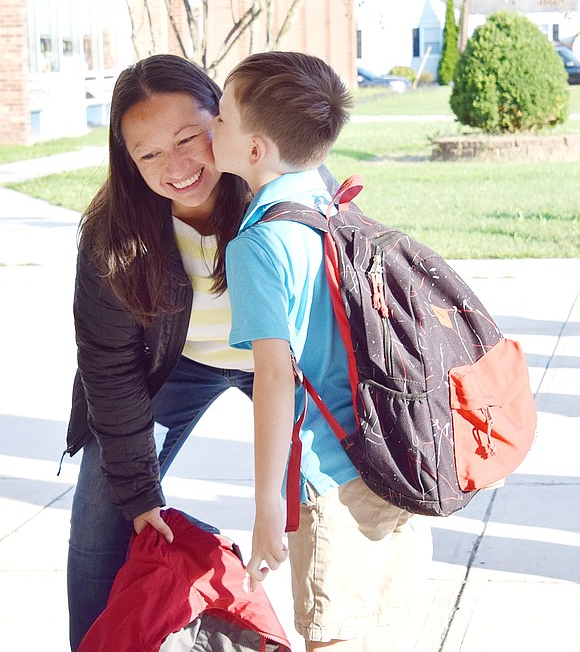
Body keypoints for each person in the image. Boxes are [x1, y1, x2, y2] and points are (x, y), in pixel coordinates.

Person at [210, 51, 432, 651]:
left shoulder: (258, 244)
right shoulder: (331, 202)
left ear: (255, 150)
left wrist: (264, 511)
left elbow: (276, 381)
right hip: (394, 456)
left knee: (333, 637)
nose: (210, 126)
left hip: (330, 483)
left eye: (221, 118)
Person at [65, 54, 256, 651]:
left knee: (325, 509)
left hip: (283, 364)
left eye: (188, 138)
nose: (175, 167)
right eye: (148, 155)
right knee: (103, 514)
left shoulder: (275, 185)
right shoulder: (114, 236)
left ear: (221, 121)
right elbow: (110, 372)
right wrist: (139, 492)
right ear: (128, 162)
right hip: (177, 366)